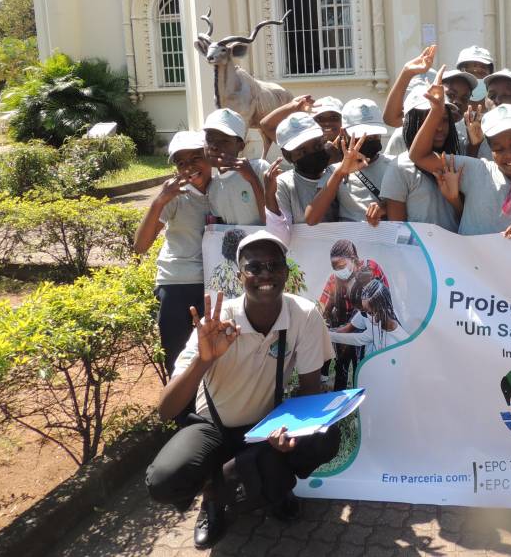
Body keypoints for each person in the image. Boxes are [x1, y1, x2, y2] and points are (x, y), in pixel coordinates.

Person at [145, 231, 339, 548]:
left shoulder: (303, 315)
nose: (265, 274)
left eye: (274, 265)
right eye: (254, 267)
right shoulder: (217, 322)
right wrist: (203, 362)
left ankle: (273, 488)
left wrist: (291, 430)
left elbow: (310, 390)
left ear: (286, 272)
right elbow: (166, 409)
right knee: (164, 479)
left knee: (324, 436)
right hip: (215, 426)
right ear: (240, 275)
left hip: (267, 422)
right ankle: (214, 497)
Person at [410, 66, 511, 237]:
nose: (508, 154)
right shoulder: (476, 170)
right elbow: (419, 156)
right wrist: (435, 111)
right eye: (498, 148)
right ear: (489, 148)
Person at [134, 130, 213, 374]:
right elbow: (140, 246)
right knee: (178, 356)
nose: (189, 167)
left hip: (214, 283)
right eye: (181, 163)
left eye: (196, 158)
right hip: (177, 283)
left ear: (209, 157)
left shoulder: (223, 190)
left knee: (214, 355)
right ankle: (181, 411)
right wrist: (159, 201)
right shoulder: (176, 197)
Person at [381, 83, 464, 231]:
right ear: (411, 124)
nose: (439, 127)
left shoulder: (457, 160)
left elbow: (467, 218)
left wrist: (455, 200)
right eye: (429, 121)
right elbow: (397, 228)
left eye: (444, 119)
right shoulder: (399, 167)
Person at [305, 98, 392, 226]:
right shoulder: (333, 170)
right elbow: (312, 218)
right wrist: (340, 172)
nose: (369, 138)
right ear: (343, 133)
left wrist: (385, 208)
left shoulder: (394, 165)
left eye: (374, 133)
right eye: (361, 134)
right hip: (350, 242)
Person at [318, 239, 391, 391]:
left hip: (368, 325)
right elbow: (323, 306)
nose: (338, 270)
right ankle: (340, 404)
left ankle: (363, 401)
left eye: (342, 266)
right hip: (344, 324)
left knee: (363, 366)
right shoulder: (334, 279)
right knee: (341, 366)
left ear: (354, 259)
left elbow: (384, 298)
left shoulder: (372, 269)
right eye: (334, 267)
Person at [264, 112, 337, 241]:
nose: (312, 153)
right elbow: (280, 238)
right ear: (287, 155)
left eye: (317, 146)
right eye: (302, 151)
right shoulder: (283, 184)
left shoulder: (338, 172)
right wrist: (269, 196)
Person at [202, 108, 269, 226]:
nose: (213, 146)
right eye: (209, 139)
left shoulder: (259, 169)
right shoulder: (212, 188)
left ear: (241, 146)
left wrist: (253, 179)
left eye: (223, 141)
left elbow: (274, 220)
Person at [330, 278, 409, 356]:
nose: (367, 316)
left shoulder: (402, 339)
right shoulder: (378, 325)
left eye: (370, 312)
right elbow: (359, 339)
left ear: (382, 308)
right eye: (365, 312)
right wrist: (329, 335)